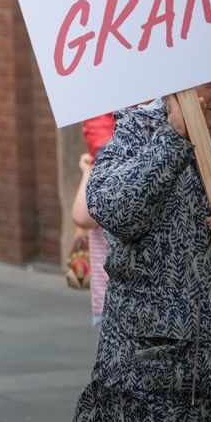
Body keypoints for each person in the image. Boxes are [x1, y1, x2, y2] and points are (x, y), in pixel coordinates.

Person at [73, 82, 211, 422]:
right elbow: (112, 209)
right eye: (209, 82)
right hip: (145, 382)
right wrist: (173, 137)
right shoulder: (141, 128)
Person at [72, 113, 114, 331]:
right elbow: (83, 217)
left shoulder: (105, 176)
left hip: (108, 304)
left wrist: (89, 171)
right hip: (108, 305)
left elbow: (81, 217)